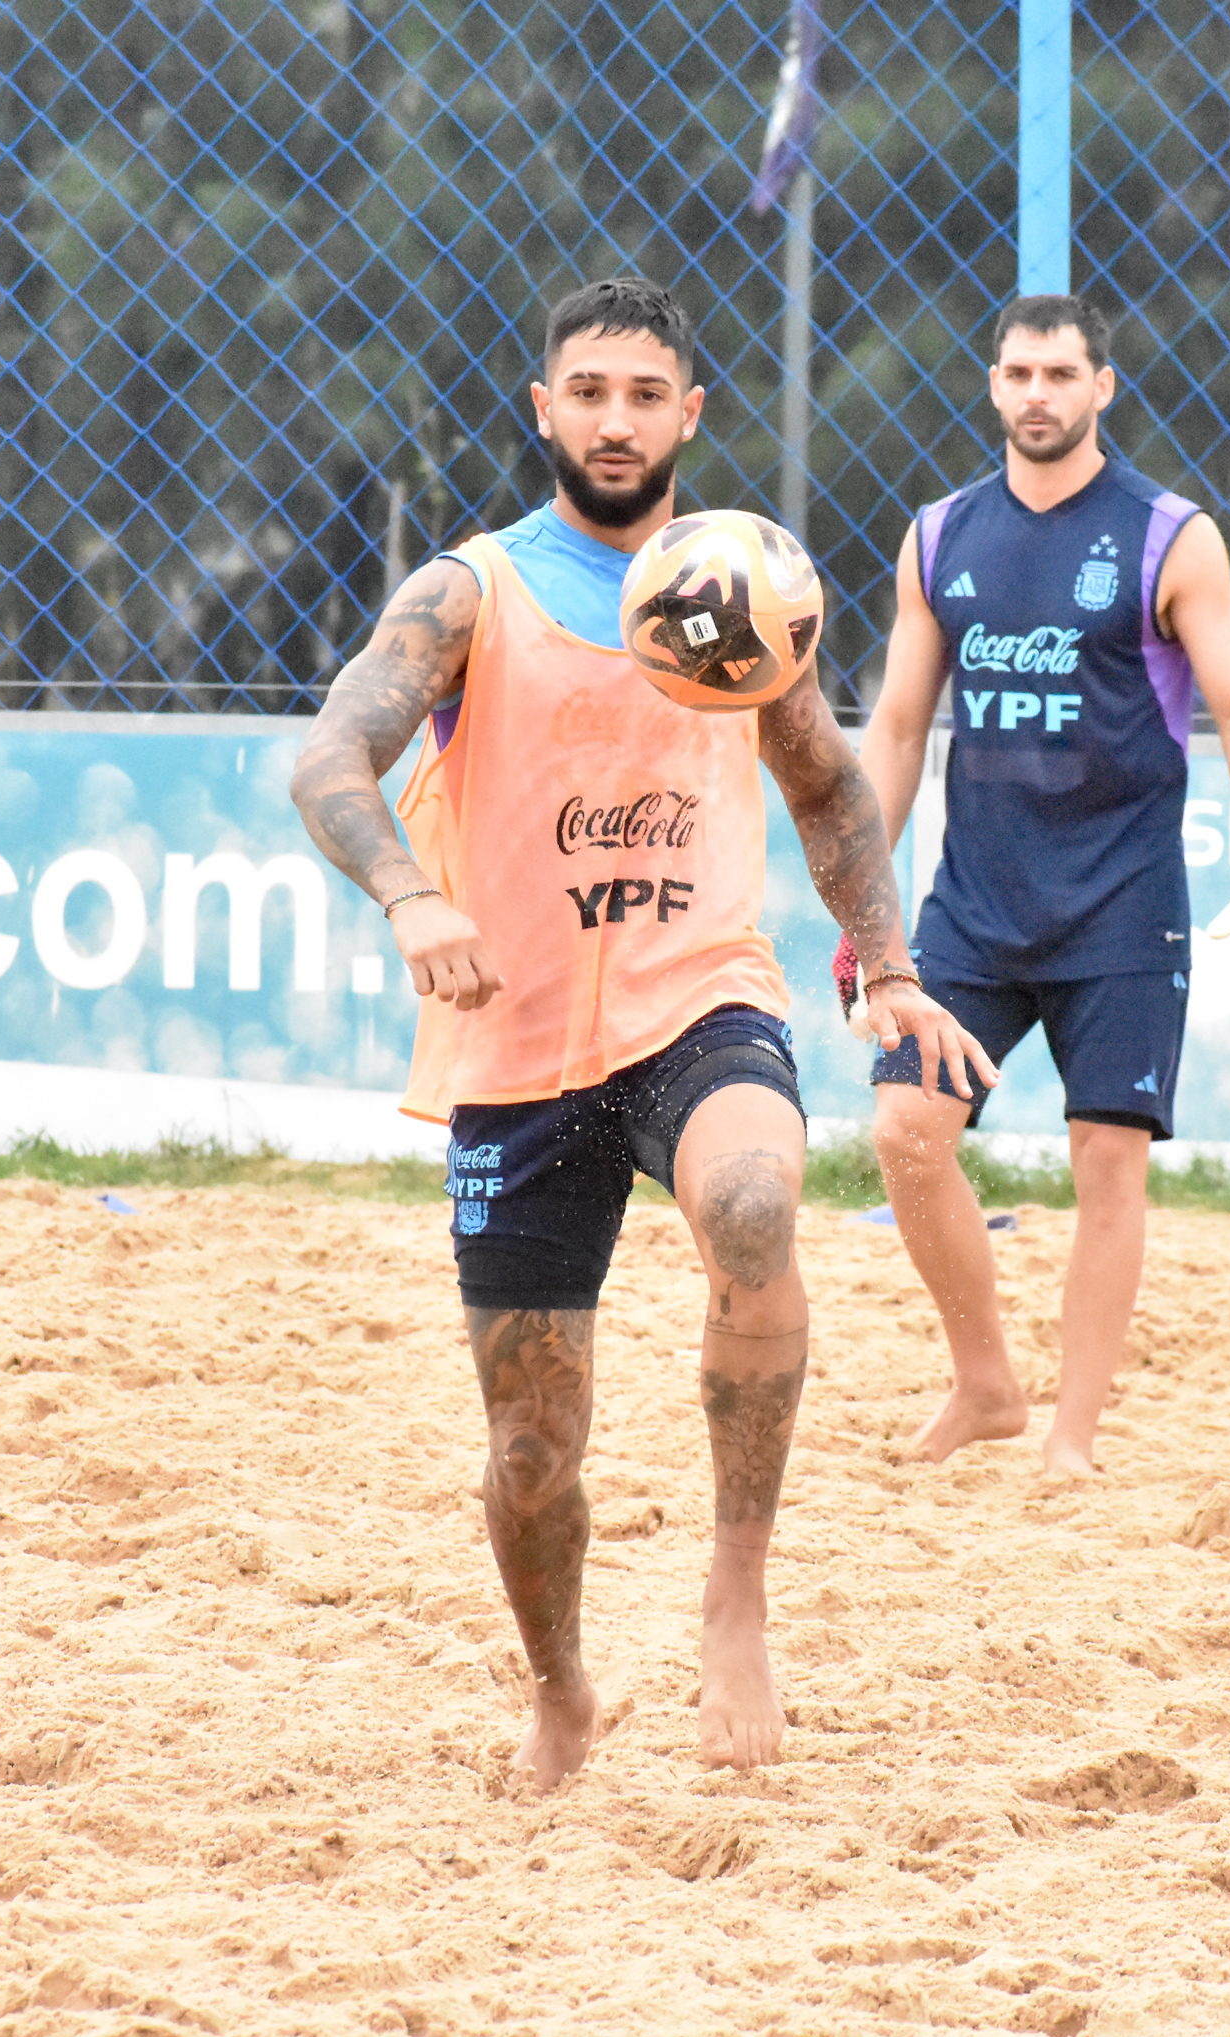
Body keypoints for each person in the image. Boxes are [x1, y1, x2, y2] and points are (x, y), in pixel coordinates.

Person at [290, 277, 996, 1793]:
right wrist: (412, 897)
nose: (616, 419)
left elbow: (822, 786)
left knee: (753, 1206)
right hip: (518, 1048)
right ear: (545, 411)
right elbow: (333, 754)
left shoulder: (745, 583)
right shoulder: (471, 592)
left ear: (690, 414)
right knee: (533, 1457)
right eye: (587, 392)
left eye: (643, 394)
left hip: (700, 999)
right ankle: (561, 1691)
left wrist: (888, 965)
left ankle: (735, 1598)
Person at [851, 292, 1230, 1478]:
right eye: (1018, 374)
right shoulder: (940, 534)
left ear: (1103, 386)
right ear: (993, 387)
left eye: (1061, 373)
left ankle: (1072, 1436)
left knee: (1107, 1157)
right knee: (904, 1132)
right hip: (974, 908)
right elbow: (897, 727)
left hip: (1121, 903)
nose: (1038, 394)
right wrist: (860, 900)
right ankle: (987, 1382)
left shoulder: (1169, 535)